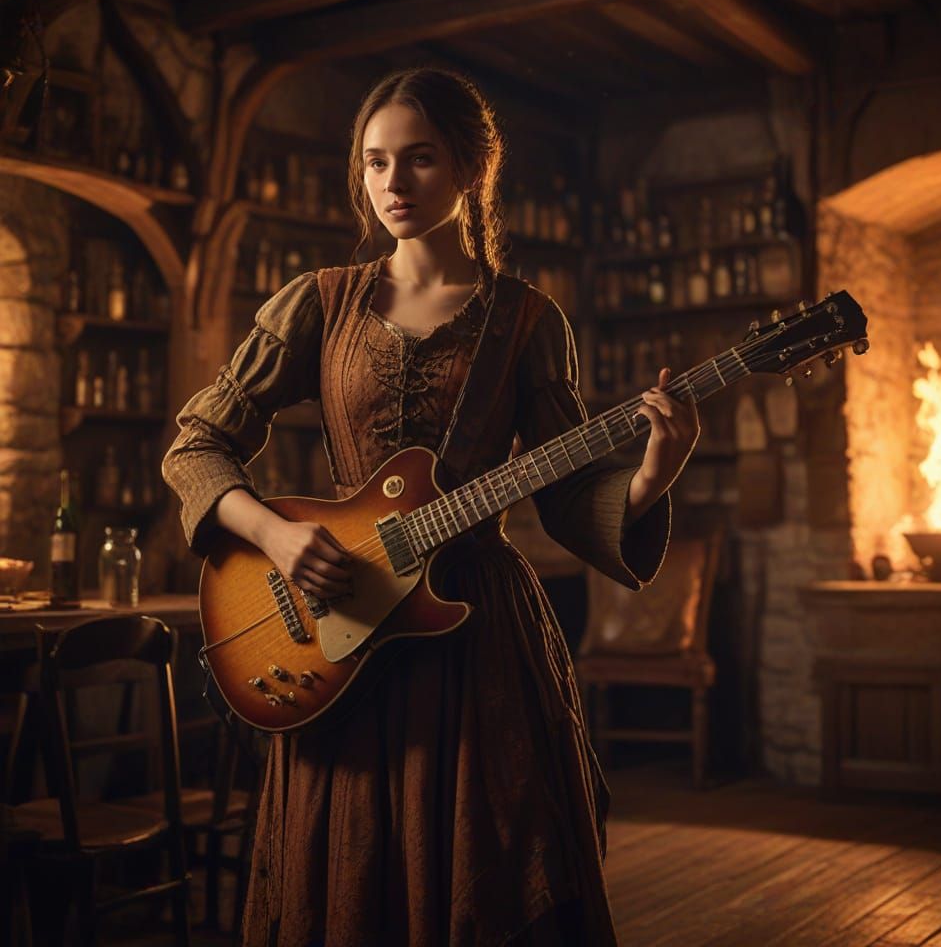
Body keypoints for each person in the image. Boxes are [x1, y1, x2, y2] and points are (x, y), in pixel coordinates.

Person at [162, 66, 699, 946]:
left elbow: (565, 498)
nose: (392, 184)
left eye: (418, 160)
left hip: (476, 637)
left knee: (493, 865)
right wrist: (279, 535)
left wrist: (651, 476)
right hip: (334, 622)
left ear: (469, 171)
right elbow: (195, 446)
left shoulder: (529, 320)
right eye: (375, 163)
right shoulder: (318, 303)